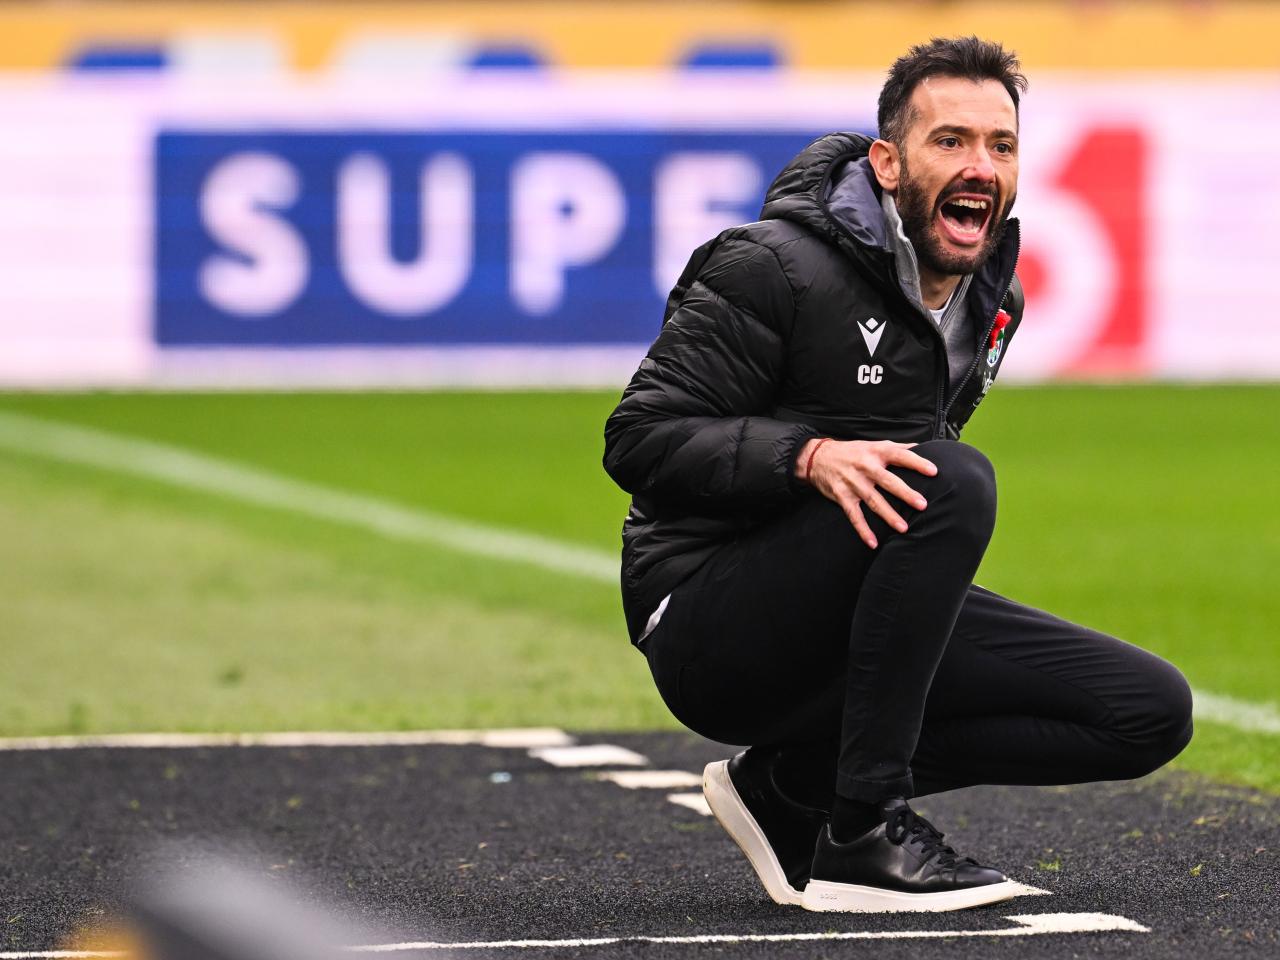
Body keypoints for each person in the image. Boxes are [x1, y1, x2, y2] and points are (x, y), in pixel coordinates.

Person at [602, 36, 1193, 914]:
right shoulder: (772, 265)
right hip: (703, 623)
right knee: (954, 480)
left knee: (1144, 709)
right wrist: (806, 456)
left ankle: (794, 786)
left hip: (836, 607)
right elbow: (639, 436)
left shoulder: (994, 298)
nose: (980, 165)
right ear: (887, 163)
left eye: (1000, 145)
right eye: (949, 141)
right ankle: (862, 831)